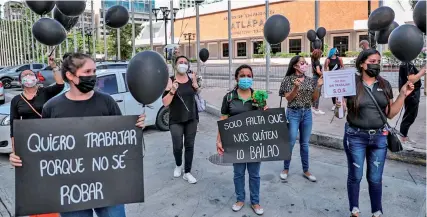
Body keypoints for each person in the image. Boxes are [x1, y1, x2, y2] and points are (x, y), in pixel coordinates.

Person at [9, 53, 146, 217]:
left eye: (94, 71)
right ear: (70, 75)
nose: (93, 76)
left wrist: (134, 129)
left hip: (108, 185)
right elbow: (42, 149)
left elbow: (122, 140)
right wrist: (20, 156)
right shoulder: (52, 107)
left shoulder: (107, 102)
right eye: (87, 72)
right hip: (70, 191)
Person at [336, 49, 414, 217]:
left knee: (375, 178)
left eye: (378, 61)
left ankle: (377, 212)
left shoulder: (384, 84)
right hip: (355, 136)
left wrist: (402, 94)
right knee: (355, 176)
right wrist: (339, 104)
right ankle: (354, 210)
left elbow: (391, 113)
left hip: (379, 138)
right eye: (372, 61)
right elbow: (339, 114)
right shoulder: (350, 83)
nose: (376, 64)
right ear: (362, 64)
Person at [217, 64, 267, 215]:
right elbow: (224, 119)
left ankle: (255, 202)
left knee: (254, 174)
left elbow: (267, 118)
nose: (246, 78)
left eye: (249, 76)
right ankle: (239, 199)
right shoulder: (229, 97)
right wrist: (219, 140)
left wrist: (263, 107)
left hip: (254, 141)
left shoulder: (258, 96)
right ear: (236, 78)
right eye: (242, 76)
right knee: (238, 173)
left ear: (252, 78)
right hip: (235, 142)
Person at [278, 55, 323, 182]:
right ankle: (285, 168)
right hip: (293, 113)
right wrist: (296, 87)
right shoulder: (288, 79)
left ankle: (306, 170)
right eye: (302, 63)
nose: (305, 65)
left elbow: (313, 99)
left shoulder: (309, 80)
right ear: (295, 66)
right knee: (291, 142)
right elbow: (289, 98)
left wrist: (318, 86)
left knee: (305, 144)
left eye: (305, 62)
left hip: (307, 113)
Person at [10, 56, 64, 151]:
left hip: (47, 135)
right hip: (28, 137)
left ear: (36, 78)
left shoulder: (45, 92)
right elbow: (13, 124)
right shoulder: (16, 100)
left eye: (30, 74)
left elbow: (60, 85)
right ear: (20, 81)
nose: (28, 76)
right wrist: (14, 149)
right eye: (24, 75)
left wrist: (54, 66)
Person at [162, 55, 199, 184]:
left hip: (191, 118)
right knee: (177, 146)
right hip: (176, 119)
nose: (183, 64)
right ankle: (178, 165)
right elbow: (165, 103)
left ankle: (187, 172)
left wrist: (195, 84)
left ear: (188, 66)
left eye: (185, 62)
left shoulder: (191, 79)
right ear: (175, 65)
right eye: (180, 62)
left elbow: (197, 94)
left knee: (190, 145)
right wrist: (172, 90)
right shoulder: (170, 81)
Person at [398, 62, 426, 144]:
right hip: (410, 94)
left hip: (413, 94)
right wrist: (422, 72)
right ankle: (403, 139)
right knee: (409, 116)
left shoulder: (408, 62)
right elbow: (411, 79)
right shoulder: (406, 63)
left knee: (411, 116)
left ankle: (404, 136)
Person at [310, 49, 325, 115]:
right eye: (321, 53)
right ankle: (316, 108)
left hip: (315, 78)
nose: (322, 55)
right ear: (318, 54)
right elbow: (318, 71)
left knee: (315, 93)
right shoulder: (317, 62)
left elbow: (314, 71)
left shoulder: (313, 61)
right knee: (317, 94)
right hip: (317, 78)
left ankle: (313, 107)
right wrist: (324, 74)